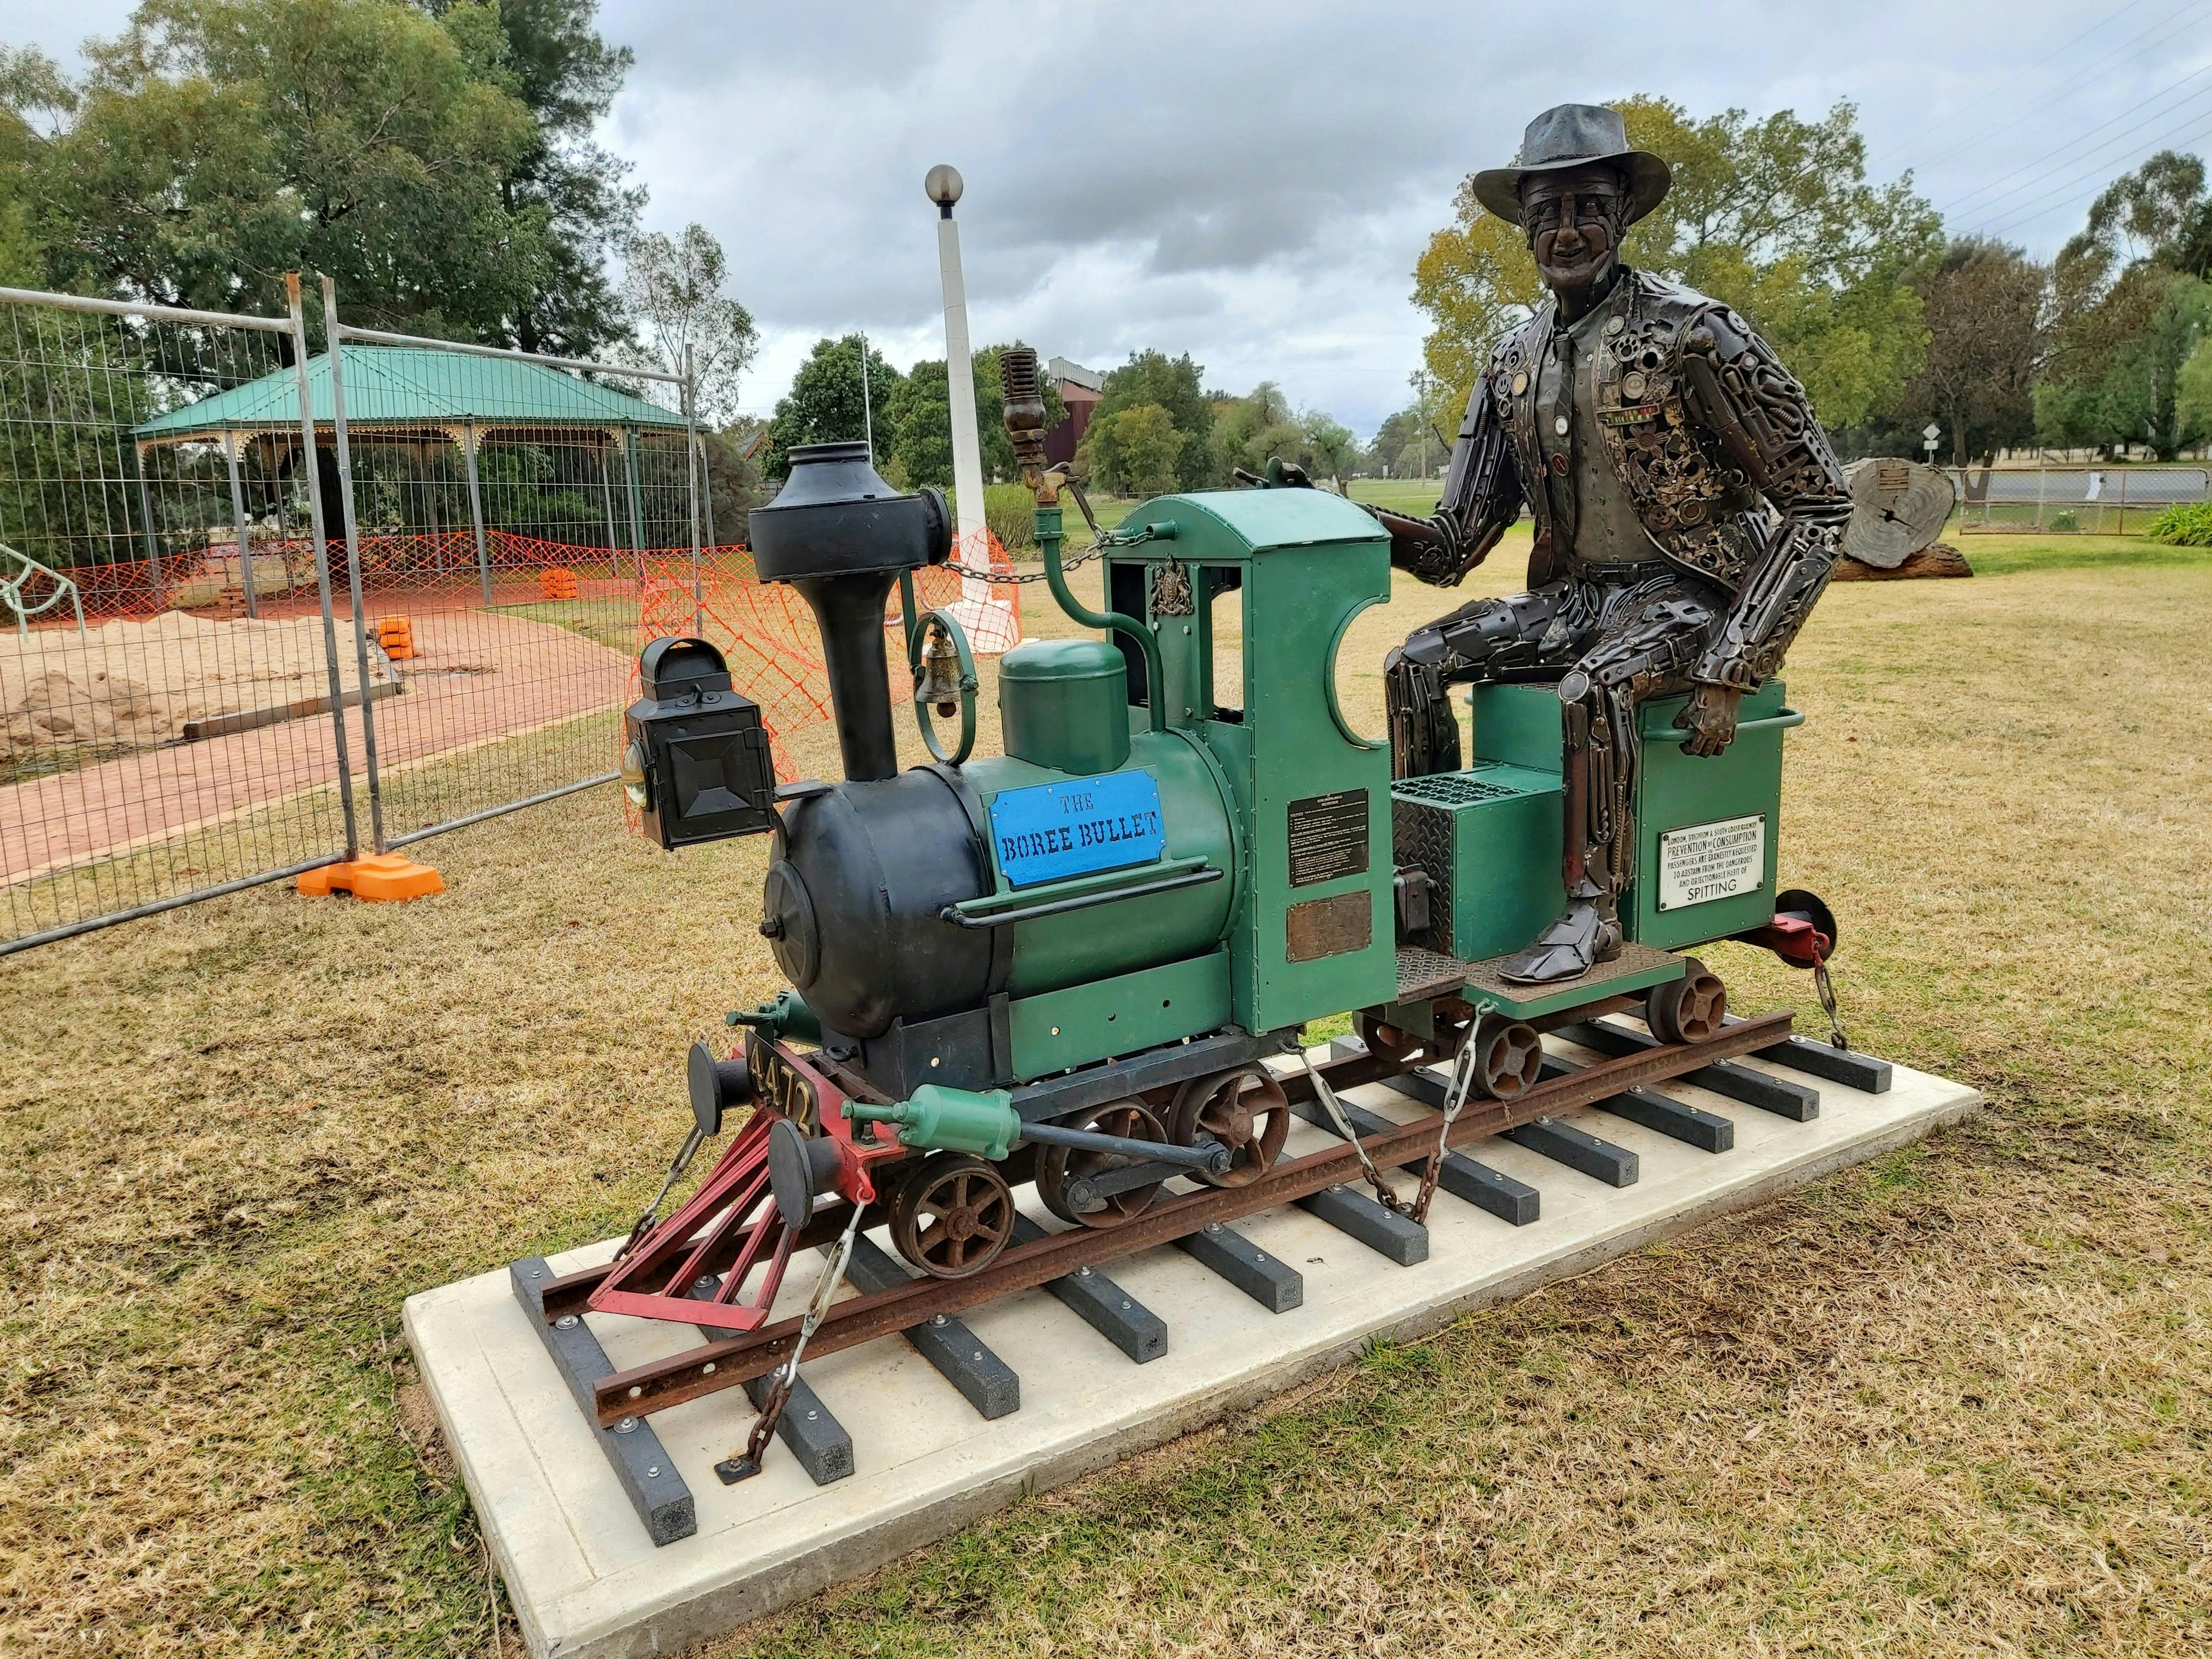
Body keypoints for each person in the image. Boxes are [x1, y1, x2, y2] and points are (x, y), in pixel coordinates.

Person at [1369, 104, 1852, 984]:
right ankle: (1425, 884)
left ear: (1623, 214)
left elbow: (1819, 504)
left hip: (1696, 594)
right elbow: (1452, 545)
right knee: (1415, 663)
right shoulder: (1511, 362)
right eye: (1547, 212)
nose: (1567, 231)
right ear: (1524, 229)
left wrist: (1732, 666)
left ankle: (1594, 911)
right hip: (1581, 598)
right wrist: (1344, 518)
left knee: (1595, 688)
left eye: (1588, 206)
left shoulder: (1697, 333)